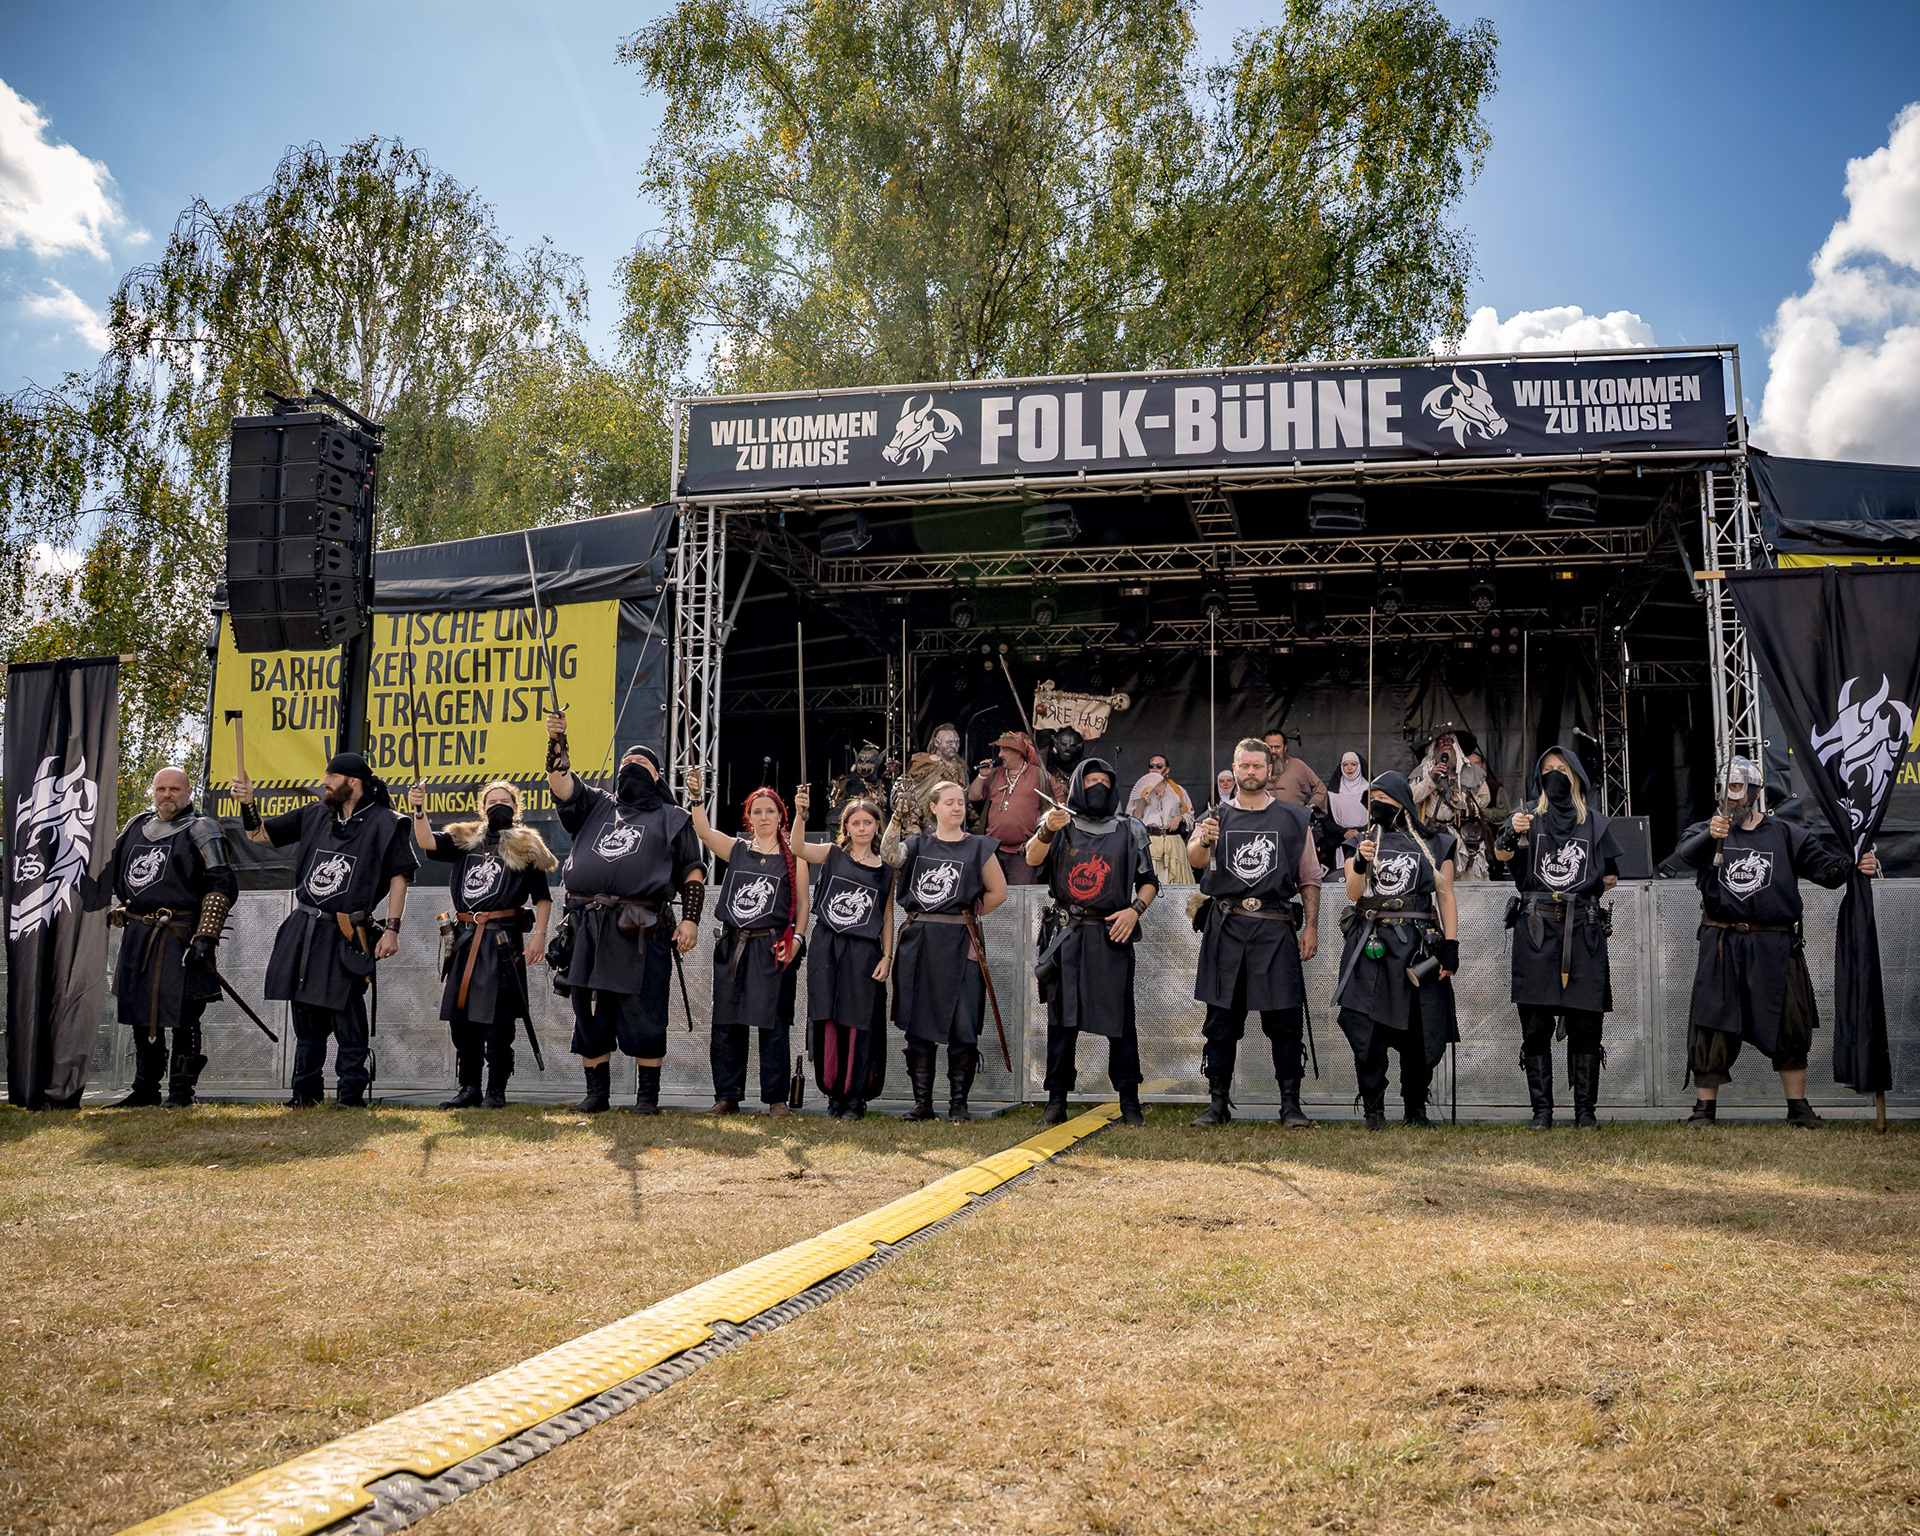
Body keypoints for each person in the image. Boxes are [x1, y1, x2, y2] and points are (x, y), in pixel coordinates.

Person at [1676, 756, 1875, 1129]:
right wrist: (1710, 836)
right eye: (1726, 788)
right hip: (1722, 942)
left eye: (1738, 788)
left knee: (1791, 1023)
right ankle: (1705, 1109)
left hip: (1776, 945)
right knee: (1712, 1022)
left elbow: (1827, 871)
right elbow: (1686, 857)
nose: (1731, 797)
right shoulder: (1705, 831)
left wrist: (1855, 865)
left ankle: (1798, 1106)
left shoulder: (1784, 833)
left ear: (1755, 791)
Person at [234, 752, 415, 1108]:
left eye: (330, 777)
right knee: (305, 1014)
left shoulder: (386, 822)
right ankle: (305, 1094)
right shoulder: (315, 813)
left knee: (346, 1013)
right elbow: (257, 834)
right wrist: (248, 803)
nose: (323, 783)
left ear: (353, 781)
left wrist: (392, 929)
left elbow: (400, 876)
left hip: (346, 931)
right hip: (305, 927)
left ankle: (350, 1096)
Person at [546, 712, 703, 1115]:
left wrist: (690, 919)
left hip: (642, 930)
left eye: (642, 763)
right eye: (625, 764)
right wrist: (558, 742)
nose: (632, 766)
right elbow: (562, 784)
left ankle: (646, 1098)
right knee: (589, 1009)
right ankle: (597, 1094)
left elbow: (692, 871)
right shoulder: (597, 804)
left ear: (657, 776)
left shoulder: (673, 818)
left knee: (644, 1010)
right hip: (587, 926)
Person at [1186, 738, 1323, 1128]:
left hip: (1275, 927)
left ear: (1270, 771)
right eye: (1243, 766)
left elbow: (1309, 877)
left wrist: (1311, 926)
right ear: (1234, 769)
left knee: (1284, 1021)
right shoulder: (1214, 817)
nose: (1250, 773)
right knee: (1221, 1022)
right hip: (1226, 928)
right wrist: (1204, 839)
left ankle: (1290, 1105)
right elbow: (1196, 859)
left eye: (1257, 767)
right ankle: (1217, 1103)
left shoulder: (1294, 818)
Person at [1492, 745, 1624, 1130]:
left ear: (1576, 774)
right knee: (1535, 1023)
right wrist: (1509, 831)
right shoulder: (1527, 818)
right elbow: (1501, 857)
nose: (1554, 774)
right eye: (1547, 769)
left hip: (1582, 930)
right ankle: (1542, 1111)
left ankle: (1585, 1111)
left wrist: (1583, 893)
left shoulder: (1596, 823)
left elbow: (1612, 875)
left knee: (1586, 1022)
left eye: (1561, 768)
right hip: (1536, 929)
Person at [407, 780, 555, 1108]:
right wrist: (418, 809)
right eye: (491, 800)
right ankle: (469, 1088)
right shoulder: (465, 839)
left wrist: (539, 936)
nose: (498, 804)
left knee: (499, 1022)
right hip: (464, 939)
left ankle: (496, 1091)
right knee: (462, 1020)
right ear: (481, 808)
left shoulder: (526, 845)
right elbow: (426, 840)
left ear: (516, 808)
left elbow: (542, 899)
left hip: (502, 941)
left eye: (505, 800)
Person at [1027, 759, 1158, 1126]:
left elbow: (1149, 881)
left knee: (1120, 1021)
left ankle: (1129, 1102)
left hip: (1111, 935)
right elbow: (1031, 858)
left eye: (1104, 780)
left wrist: (1135, 910)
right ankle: (1056, 1101)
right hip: (1067, 934)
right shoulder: (1057, 822)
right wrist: (1047, 831)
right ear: (1077, 787)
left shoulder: (1131, 829)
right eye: (1091, 780)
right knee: (1061, 1021)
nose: (1098, 785)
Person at [104, 767, 237, 1108]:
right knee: (140, 1013)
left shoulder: (202, 829)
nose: (167, 795)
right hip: (140, 934)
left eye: (174, 789)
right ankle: (145, 1089)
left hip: (181, 935)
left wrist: (205, 936)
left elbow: (221, 885)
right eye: (161, 789)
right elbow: (118, 873)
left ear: (188, 791)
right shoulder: (136, 826)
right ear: (153, 790)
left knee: (184, 1016)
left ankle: (180, 1093)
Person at [1334, 772, 1459, 1129]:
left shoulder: (1436, 843)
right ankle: (1374, 1111)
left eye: (1386, 798)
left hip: (1419, 946)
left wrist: (1451, 945)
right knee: (1367, 1030)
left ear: (1404, 801)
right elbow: (1354, 893)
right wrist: (1360, 860)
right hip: (1371, 944)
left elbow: (1446, 894)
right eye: (1373, 799)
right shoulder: (1360, 841)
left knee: (1420, 1030)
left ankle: (1415, 1109)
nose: (1379, 805)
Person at [885, 779, 1009, 1120]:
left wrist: (970, 914)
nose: (956, 807)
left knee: (963, 1026)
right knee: (918, 1023)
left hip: (961, 944)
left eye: (960, 802)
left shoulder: (978, 846)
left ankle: (959, 1104)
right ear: (934, 808)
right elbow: (887, 854)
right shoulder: (916, 843)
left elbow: (998, 891)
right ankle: (922, 1104)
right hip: (920, 944)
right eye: (949, 802)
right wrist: (896, 817)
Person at [687, 776, 808, 1115]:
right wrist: (696, 796)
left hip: (771, 949)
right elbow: (704, 832)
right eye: (757, 811)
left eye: (770, 811)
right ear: (749, 817)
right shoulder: (737, 849)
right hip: (733, 947)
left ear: (781, 816)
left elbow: (803, 906)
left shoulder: (794, 854)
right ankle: (727, 1096)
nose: (764, 817)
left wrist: (797, 939)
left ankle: (776, 1099)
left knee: (773, 1024)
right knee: (726, 1024)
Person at [792, 788, 894, 1118]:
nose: (862, 828)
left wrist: (887, 956)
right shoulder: (833, 854)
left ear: (877, 826)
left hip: (864, 950)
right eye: (855, 822)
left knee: (858, 1020)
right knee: (828, 1017)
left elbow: (888, 915)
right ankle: (833, 1091)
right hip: (827, 944)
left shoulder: (886, 868)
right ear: (846, 826)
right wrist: (800, 814)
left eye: (868, 822)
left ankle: (857, 1094)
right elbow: (797, 847)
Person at [967, 729, 1061, 887]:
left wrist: (1047, 822)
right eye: (1000, 750)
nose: (1000, 755)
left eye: (1005, 750)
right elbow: (973, 796)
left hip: (1023, 852)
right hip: (993, 850)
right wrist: (982, 775)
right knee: (993, 895)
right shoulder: (995, 774)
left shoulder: (1038, 774)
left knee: (1020, 898)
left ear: (1018, 753)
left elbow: (1059, 798)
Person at [1411, 726, 1496, 880]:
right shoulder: (1422, 772)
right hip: (1434, 834)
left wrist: (1464, 803)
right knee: (1437, 882)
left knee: (1470, 882)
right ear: (1433, 747)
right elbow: (1411, 798)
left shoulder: (1472, 771)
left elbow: (1485, 799)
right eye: (1442, 741)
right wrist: (1430, 780)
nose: (1447, 743)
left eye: (1450, 740)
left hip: (1467, 837)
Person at [1127, 753, 1195, 887]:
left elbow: (1191, 817)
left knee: (1177, 882)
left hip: (1173, 843)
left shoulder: (1178, 791)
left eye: (1159, 766)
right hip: (1150, 842)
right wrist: (1141, 803)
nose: (1154, 769)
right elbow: (1133, 822)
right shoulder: (1142, 792)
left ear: (1167, 770)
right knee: (1150, 882)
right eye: (1151, 766)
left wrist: (1180, 817)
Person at [891, 723, 967, 840]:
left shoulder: (959, 767)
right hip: (929, 826)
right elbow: (913, 799)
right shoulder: (926, 766)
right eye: (949, 742)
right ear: (937, 743)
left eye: (957, 742)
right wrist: (914, 833)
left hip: (955, 825)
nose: (954, 746)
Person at [1326, 751, 1371, 872]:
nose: (1349, 768)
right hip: (1341, 840)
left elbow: (1377, 817)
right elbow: (1326, 819)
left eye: (1353, 764)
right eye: (1345, 765)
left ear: (1359, 766)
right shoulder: (1332, 792)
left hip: (1365, 839)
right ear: (1341, 767)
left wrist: (1361, 832)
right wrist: (1343, 832)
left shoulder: (1370, 789)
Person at [1263, 731, 1328, 811]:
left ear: (1285, 747)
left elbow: (1320, 789)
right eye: (1269, 747)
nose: (1273, 751)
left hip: (1294, 821)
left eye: (1277, 747)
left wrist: (1310, 809)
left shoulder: (1297, 765)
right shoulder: (1256, 769)